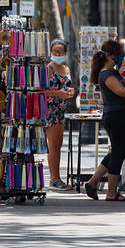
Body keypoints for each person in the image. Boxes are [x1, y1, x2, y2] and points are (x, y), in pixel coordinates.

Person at [85, 40, 125, 201]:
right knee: (119, 153)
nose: (120, 58)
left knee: (116, 151)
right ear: (108, 56)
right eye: (118, 55)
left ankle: (93, 182)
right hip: (116, 116)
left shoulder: (113, 72)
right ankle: (111, 192)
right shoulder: (106, 74)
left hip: (118, 115)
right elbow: (121, 91)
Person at [42, 40, 75, 190]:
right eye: (55, 51)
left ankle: (56, 178)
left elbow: (66, 87)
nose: (58, 54)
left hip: (61, 109)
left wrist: (69, 92)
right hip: (50, 110)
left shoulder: (66, 68)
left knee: (58, 145)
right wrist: (58, 93)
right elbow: (40, 90)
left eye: (60, 51)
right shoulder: (48, 68)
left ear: (65, 53)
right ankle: (54, 179)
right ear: (51, 52)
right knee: (53, 145)